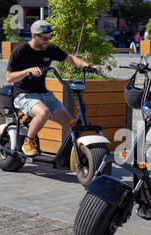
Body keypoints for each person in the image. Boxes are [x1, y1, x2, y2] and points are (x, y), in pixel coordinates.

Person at [6, 20, 102, 156]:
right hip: (24, 95)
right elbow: (9, 77)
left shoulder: (50, 49)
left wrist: (89, 66)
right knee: (43, 113)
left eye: (49, 37)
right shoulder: (21, 51)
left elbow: (70, 59)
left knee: (72, 125)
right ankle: (28, 141)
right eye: (44, 38)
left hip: (44, 94)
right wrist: (27, 71)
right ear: (34, 36)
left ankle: (78, 155)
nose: (47, 40)